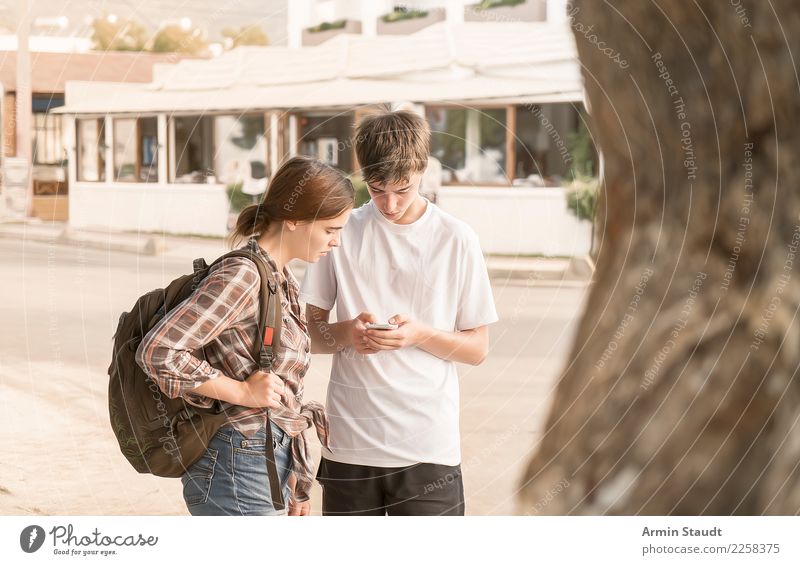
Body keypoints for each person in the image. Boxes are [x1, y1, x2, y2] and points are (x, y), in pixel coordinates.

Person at [300, 108, 499, 516]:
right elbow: (307, 334)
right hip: (350, 442)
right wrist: (347, 334)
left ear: (423, 170)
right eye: (376, 189)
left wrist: (419, 335)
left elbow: (477, 349)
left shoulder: (456, 239)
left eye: (403, 189)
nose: (389, 204)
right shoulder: (340, 230)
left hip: (428, 446)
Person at [136, 156, 354, 516]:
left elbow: (286, 387)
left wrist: (297, 483)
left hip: (263, 458)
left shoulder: (280, 278)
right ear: (295, 218)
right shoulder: (244, 276)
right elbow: (159, 352)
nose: (337, 242)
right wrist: (242, 391)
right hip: (235, 462)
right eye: (331, 229)